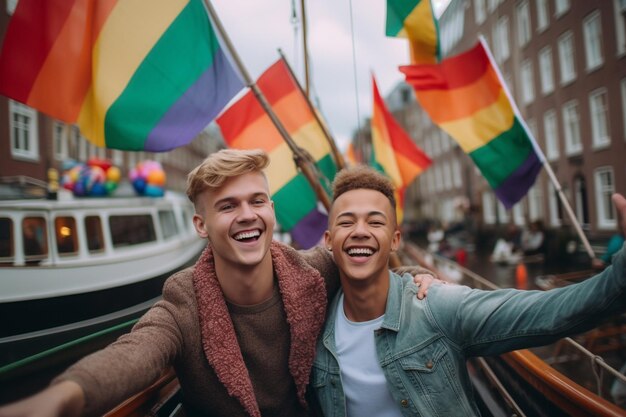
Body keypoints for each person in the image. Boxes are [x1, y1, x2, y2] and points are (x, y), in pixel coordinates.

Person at [0, 149, 435, 417]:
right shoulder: (183, 301)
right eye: (228, 206)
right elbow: (136, 352)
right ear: (201, 225)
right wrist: (64, 397)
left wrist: (419, 277)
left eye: (257, 201)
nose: (247, 214)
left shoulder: (312, 270)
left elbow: (373, 269)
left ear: (270, 212)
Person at [312, 165, 626, 417]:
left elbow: (550, 314)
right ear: (328, 240)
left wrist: (620, 274)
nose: (360, 231)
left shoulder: (435, 307)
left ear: (395, 240)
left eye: (375, 221)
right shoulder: (312, 330)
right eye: (347, 222)